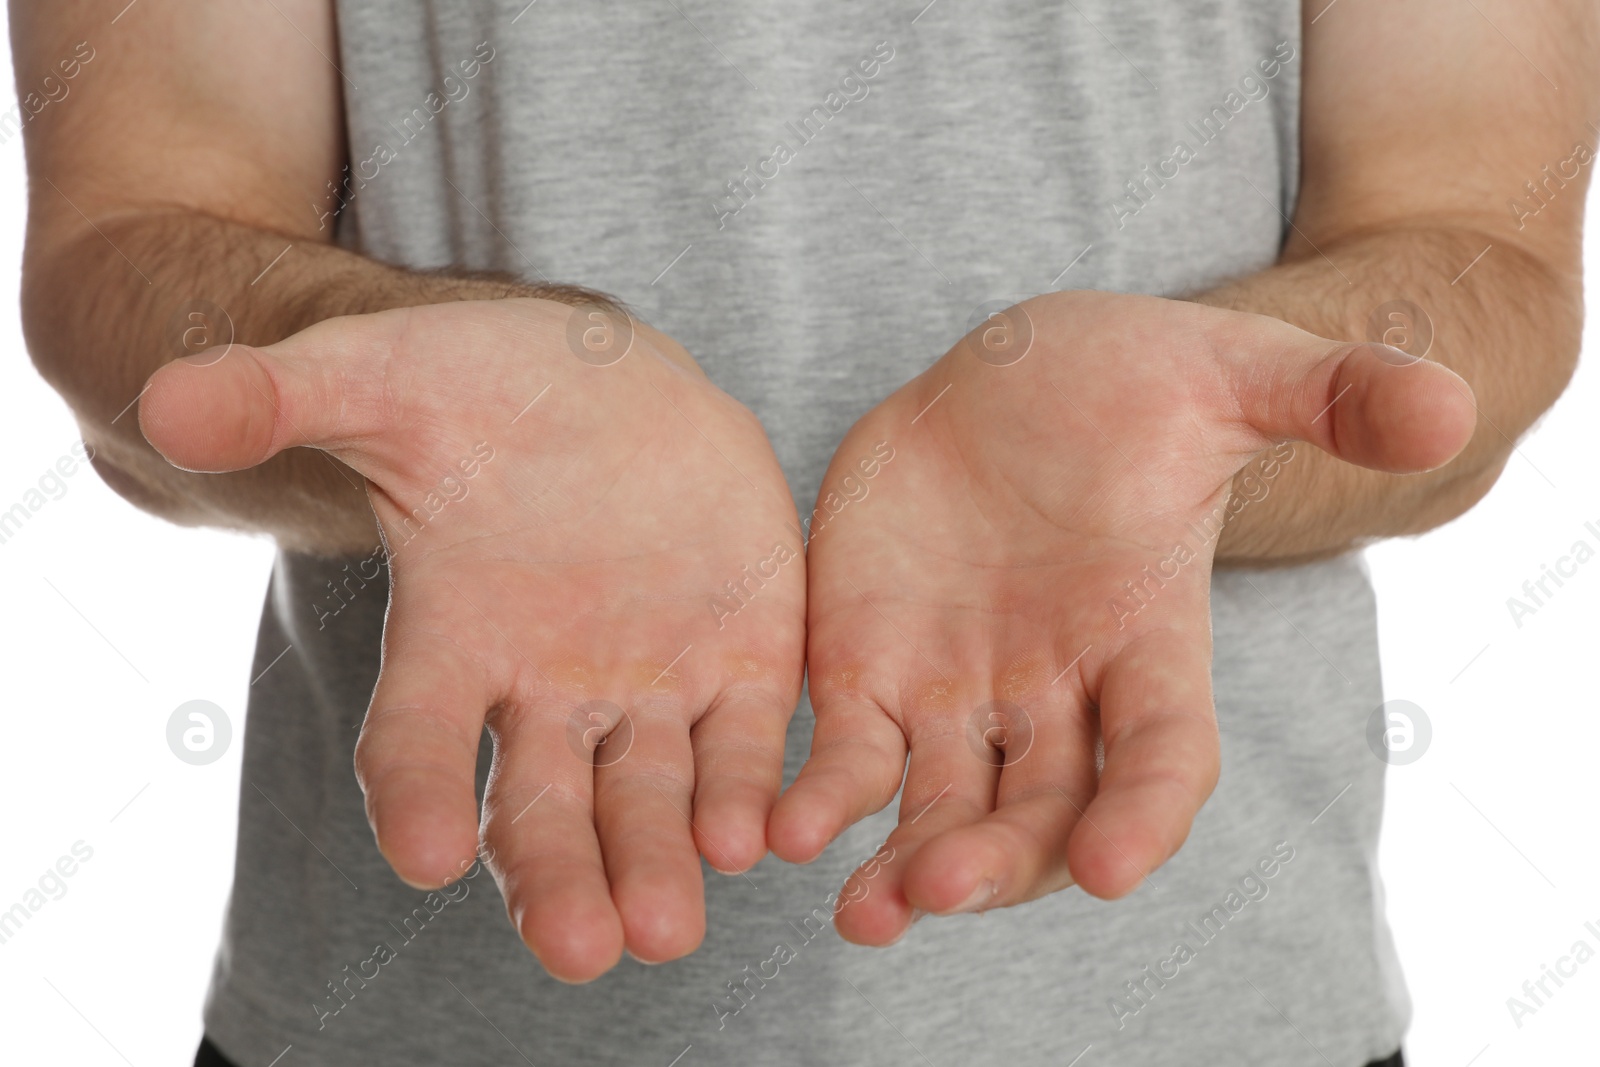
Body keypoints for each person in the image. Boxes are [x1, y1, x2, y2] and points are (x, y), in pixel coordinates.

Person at [14, 0, 1595, 1063]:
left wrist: (1207, 432)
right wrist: (443, 415)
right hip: (405, 1017)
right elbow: (138, 234)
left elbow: (1475, 250)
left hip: (1225, 1016)